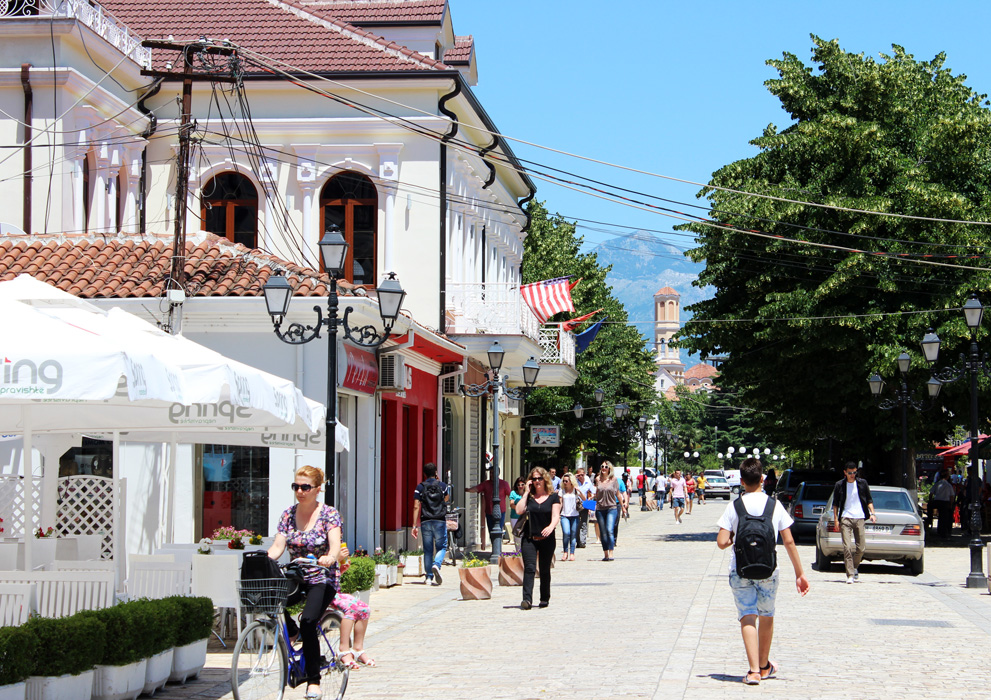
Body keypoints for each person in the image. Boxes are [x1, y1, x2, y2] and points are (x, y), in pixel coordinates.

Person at [716, 458, 809, 685]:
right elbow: (788, 541)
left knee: (748, 615)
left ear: (741, 481)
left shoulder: (734, 506)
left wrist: (735, 539)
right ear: (763, 479)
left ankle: (754, 671)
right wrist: (800, 573)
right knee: (766, 615)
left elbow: (721, 541)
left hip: (740, 570)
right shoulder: (774, 505)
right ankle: (765, 665)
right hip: (768, 570)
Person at [267, 466, 347, 697]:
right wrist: (265, 558)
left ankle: (314, 680)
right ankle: (291, 631)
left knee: (309, 621)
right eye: (296, 487)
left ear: (317, 489)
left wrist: (330, 557)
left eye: (305, 487)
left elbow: (334, 545)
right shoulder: (287, 514)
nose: (300, 491)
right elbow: (278, 546)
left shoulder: (329, 514)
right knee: (272, 595)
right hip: (298, 576)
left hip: (323, 577)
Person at [515, 467, 561, 609]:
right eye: (534, 479)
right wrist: (526, 493)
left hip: (547, 538)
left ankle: (544, 598)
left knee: (544, 569)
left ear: (545, 479)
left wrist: (551, 526)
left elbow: (556, 515)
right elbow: (518, 510)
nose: (536, 481)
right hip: (529, 537)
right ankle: (527, 599)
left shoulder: (553, 496)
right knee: (529, 568)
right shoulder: (529, 497)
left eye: (539, 478)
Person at [831, 461, 876, 584]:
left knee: (861, 548)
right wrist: (836, 520)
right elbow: (835, 504)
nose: (852, 475)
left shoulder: (862, 483)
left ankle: (854, 566)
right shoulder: (839, 485)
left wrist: (872, 513)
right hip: (845, 517)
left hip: (860, 517)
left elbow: (869, 500)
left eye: (854, 472)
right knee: (847, 547)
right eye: (850, 473)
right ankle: (850, 574)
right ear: (845, 472)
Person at [411, 462, 450, 585]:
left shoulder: (420, 487)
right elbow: (446, 499)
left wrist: (414, 525)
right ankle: (437, 564)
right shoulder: (442, 486)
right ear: (436, 473)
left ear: (424, 474)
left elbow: (416, 506)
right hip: (439, 519)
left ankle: (428, 577)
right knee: (442, 546)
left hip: (425, 520)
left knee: (427, 549)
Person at [465, 474, 511, 544]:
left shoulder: (504, 484)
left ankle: (498, 548)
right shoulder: (486, 484)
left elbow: (510, 495)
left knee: (498, 530)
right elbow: (477, 488)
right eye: (491, 473)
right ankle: (494, 546)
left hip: (500, 511)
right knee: (491, 531)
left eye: (494, 472)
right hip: (489, 511)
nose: (492, 475)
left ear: (498, 473)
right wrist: (467, 490)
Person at [593, 462, 620, 561]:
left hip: (611, 508)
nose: (603, 468)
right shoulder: (597, 479)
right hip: (600, 508)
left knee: (609, 529)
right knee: (603, 532)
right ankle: (605, 554)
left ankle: (611, 551)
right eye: (602, 466)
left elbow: (618, 493)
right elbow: (597, 492)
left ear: (609, 469)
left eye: (606, 467)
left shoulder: (614, 480)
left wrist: (623, 506)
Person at [558, 474, 581, 561]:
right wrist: (557, 514)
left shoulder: (575, 490)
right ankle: (565, 552)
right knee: (566, 533)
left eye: (566, 481)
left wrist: (580, 491)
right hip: (564, 515)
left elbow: (584, 499)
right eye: (564, 481)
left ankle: (572, 553)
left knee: (573, 534)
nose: (565, 482)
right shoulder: (562, 491)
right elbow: (560, 503)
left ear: (571, 481)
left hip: (575, 515)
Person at [574, 468, 595, 548]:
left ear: (585, 474)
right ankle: (577, 540)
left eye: (582, 475)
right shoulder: (574, 482)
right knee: (576, 524)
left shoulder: (588, 482)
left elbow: (593, 492)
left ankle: (582, 542)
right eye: (579, 475)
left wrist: (591, 497)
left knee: (584, 523)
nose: (581, 477)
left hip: (585, 505)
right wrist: (574, 478)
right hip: (575, 506)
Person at [931, 471, 955, 539]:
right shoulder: (948, 485)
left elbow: (931, 493)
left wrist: (931, 501)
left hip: (937, 501)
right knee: (944, 518)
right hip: (945, 503)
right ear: (947, 477)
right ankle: (944, 532)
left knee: (940, 516)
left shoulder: (937, 484)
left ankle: (938, 529)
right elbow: (952, 496)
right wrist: (951, 504)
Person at [509, 476, 526, 544]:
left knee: (524, 534)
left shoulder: (527, 493)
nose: (520, 486)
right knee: (517, 535)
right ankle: (518, 552)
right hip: (514, 517)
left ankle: (524, 551)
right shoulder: (513, 493)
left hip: (524, 517)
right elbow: (511, 504)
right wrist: (519, 508)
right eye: (518, 485)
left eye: (522, 484)